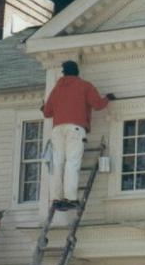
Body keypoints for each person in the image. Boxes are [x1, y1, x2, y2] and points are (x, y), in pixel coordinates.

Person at [41, 61, 115, 210]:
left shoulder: (57, 88)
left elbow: (47, 112)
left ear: (64, 72)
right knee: (72, 163)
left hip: (57, 130)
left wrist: (44, 106)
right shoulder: (84, 86)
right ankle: (71, 198)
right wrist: (108, 98)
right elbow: (98, 104)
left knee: (58, 163)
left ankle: (56, 198)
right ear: (77, 72)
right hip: (75, 128)